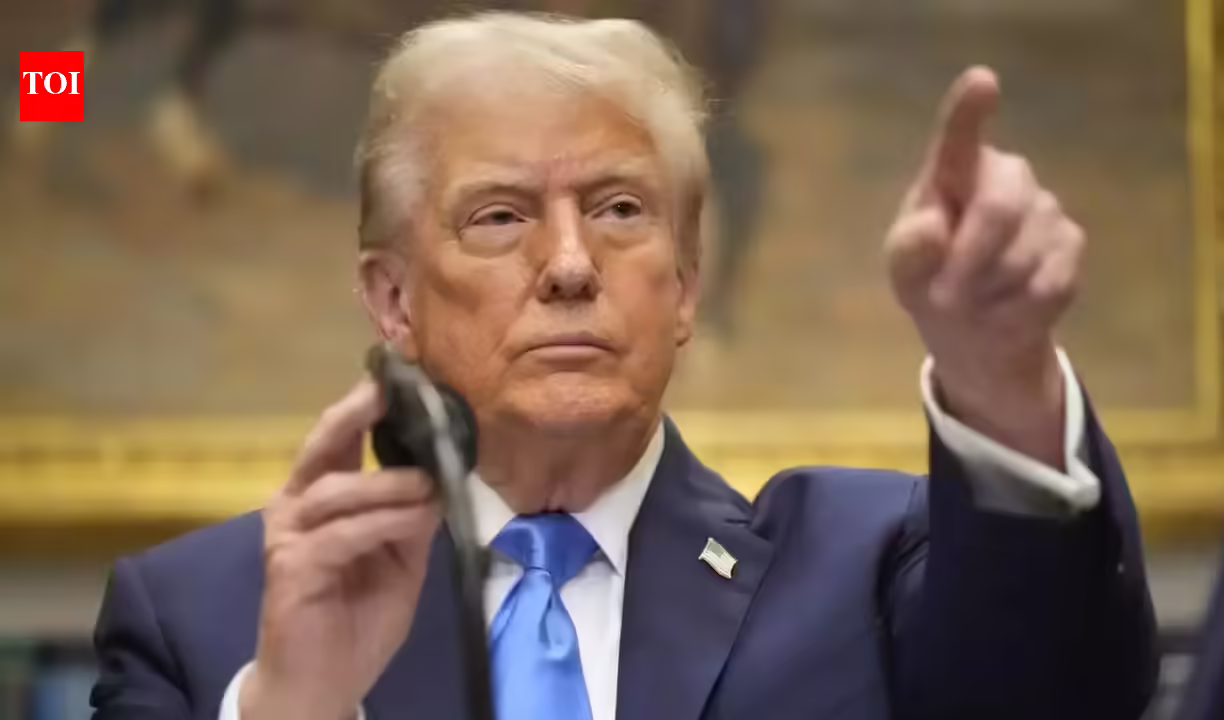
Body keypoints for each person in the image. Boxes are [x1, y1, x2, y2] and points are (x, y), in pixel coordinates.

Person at [89, 12, 1158, 720]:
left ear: (685, 287)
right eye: (500, 217)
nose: (568, 265)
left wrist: (1003, 376)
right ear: (393, 300)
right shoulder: (204, 621)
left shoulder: (868, 571)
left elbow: (1061, 693)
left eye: (618, 210)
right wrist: (294, 708)